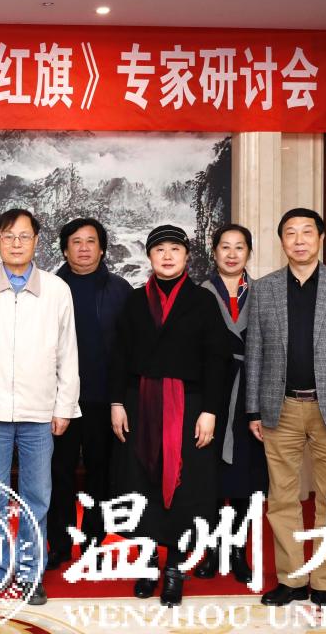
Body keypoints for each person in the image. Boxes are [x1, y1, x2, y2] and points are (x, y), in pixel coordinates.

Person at [246, 208, 326, 621]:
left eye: (306, 232)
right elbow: (255, 354)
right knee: (281, 498)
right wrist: (253, 408)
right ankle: (291, 579)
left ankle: (324, 584)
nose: (299, 240)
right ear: (281, 241)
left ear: (321, 238)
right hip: (279, 407)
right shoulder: (265, 289)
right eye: (290, 233)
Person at [0, 208, 80, 606]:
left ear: (36, 241)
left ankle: (29, 573)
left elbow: (68, 354)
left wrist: (64, 406)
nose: (16, 243)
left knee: (36, 497)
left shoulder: (57, 290)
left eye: (24, 236)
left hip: (40, 413)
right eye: (8, 236)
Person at [108, 225, 232, 607]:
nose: (167, 256)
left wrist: (210, 410)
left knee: (183, 488)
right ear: (150, 256)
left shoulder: (202, 301)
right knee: (141, 484)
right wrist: (116, 402)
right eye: (159, 249)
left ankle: (176, 566)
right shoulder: (134, 301)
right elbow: (118, 355)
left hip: (189, 405)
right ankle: (147, 564)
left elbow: (218, 360)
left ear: (186, 256)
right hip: (139, 403)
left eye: (174, 249)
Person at [48, 217, 132, 572]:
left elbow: (128, 351)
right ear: (65, 250)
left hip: (102, 398)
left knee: (101, 472)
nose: (83, 248)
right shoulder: (50, 288)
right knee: (58, 472)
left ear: (102, 249)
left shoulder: (121, 290)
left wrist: (120, 399)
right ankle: (59, 543)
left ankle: (94, 540)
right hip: (58, 401)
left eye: (91, 241)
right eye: (76, 242)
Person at [195, 223, 267, 585]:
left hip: (251, 394)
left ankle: (237, 550)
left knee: (245, 477)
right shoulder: (200, 294)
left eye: (240, 247)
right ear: (214, 251)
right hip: (211, 395)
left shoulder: (264, 293)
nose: (232, 253)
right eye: (225, 246)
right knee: (208, 476)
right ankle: (210, 549)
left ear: (249, 253)